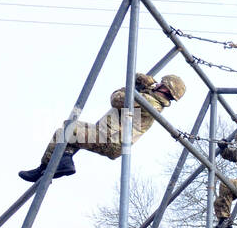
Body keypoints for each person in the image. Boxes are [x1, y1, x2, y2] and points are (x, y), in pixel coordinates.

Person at [19, 74, 186, 182]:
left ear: (165, 88)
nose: (157, 85)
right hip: (106, 134)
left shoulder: (150, 103)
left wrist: (132, 87)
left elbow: (117, 99)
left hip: (111, 141)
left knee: (68, 130)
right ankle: (60, 163)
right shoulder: (150, 98)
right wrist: (143, 84)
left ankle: (47, 168)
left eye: (160, 84)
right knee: (67, 131)